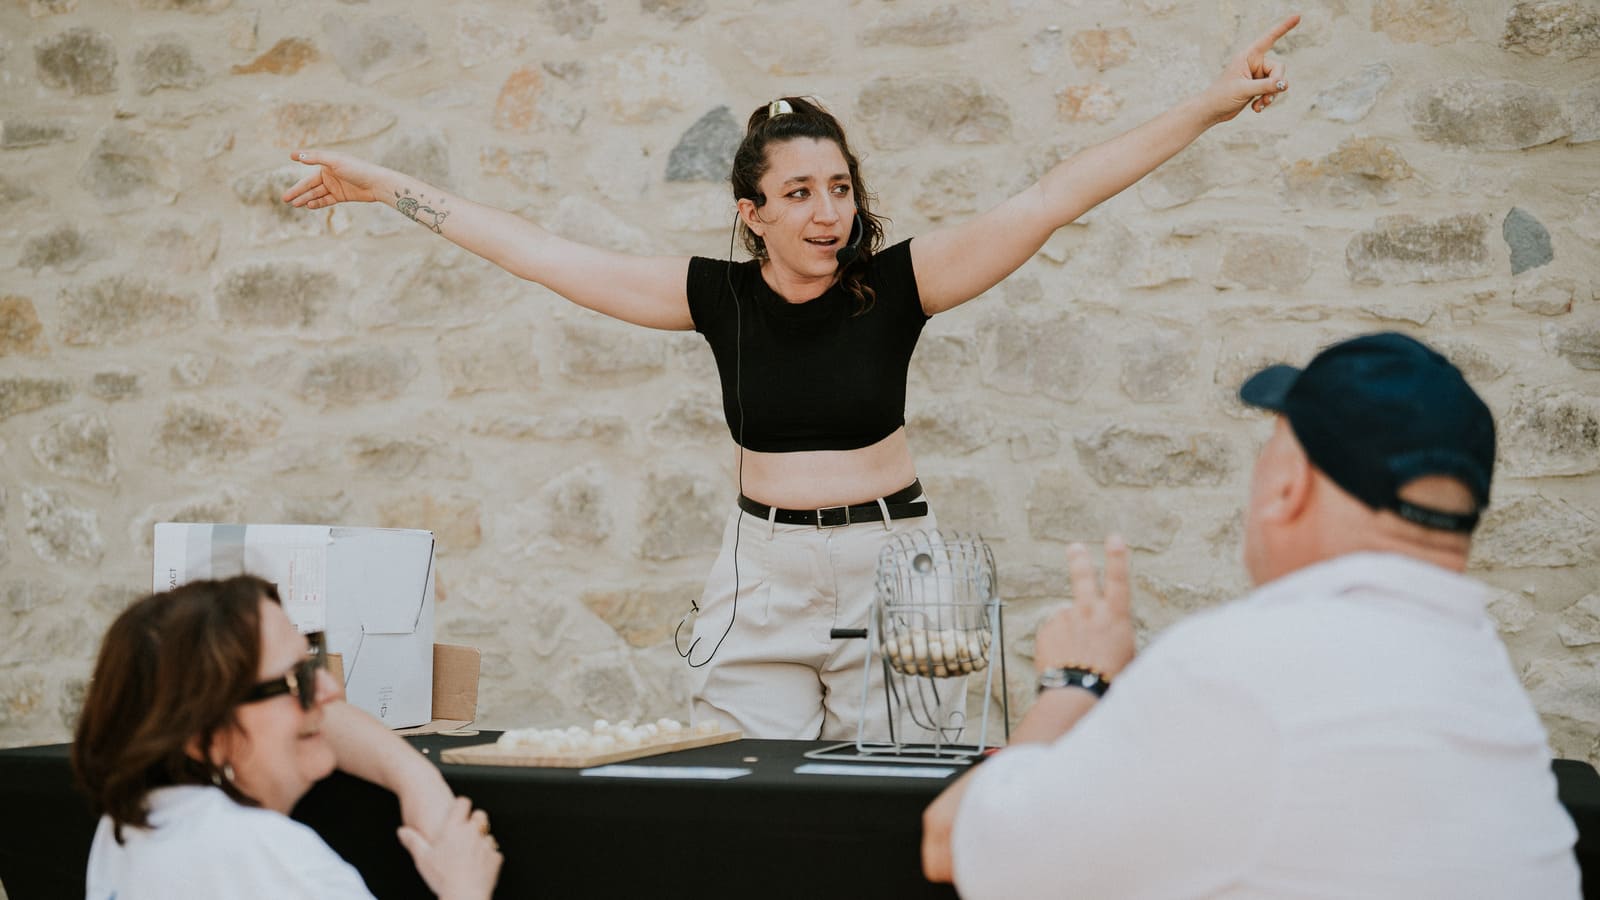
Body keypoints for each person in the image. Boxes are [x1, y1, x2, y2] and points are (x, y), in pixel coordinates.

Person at [282, 15, 1300, 741]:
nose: (828, 212)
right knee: (746, 803)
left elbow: (1052, 197)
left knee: (902, 797)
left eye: (840, 188)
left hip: (892, 567)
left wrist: (1208, 107)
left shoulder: (901, 284)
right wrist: (382, 186)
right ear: (752, 212)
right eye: (800, 192)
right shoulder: (714, 297)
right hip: (758, 576)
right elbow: (536, 251)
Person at [921, 332, 1582, 898]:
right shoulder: (1483, 677)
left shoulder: (1238, 670)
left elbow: (953, 842)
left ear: (1290, 487)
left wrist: (1076, 681)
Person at [73, 575, 503, 900]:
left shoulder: (129, 826)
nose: (330, 691)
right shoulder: (275, 860)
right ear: (205, 731)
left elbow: (322, 717)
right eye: (297, 679)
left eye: (312, 664)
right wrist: (464, 889)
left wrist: (415, 778)